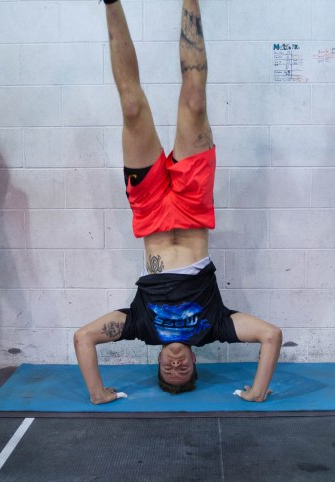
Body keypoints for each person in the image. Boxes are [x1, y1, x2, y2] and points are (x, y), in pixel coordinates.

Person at [73, 0, 282, 405]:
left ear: (157, 364)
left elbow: (83, 337)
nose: (175, 366)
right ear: (195, 364)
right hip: (193, 207)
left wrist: (98, 393)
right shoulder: (214, 327)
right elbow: (271, 335)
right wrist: (257, 391)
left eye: (167, 372)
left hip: (150, 212)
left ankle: (110, 3)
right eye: (182, 372)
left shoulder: (142, 327)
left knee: (132, 108)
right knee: (195, 100)